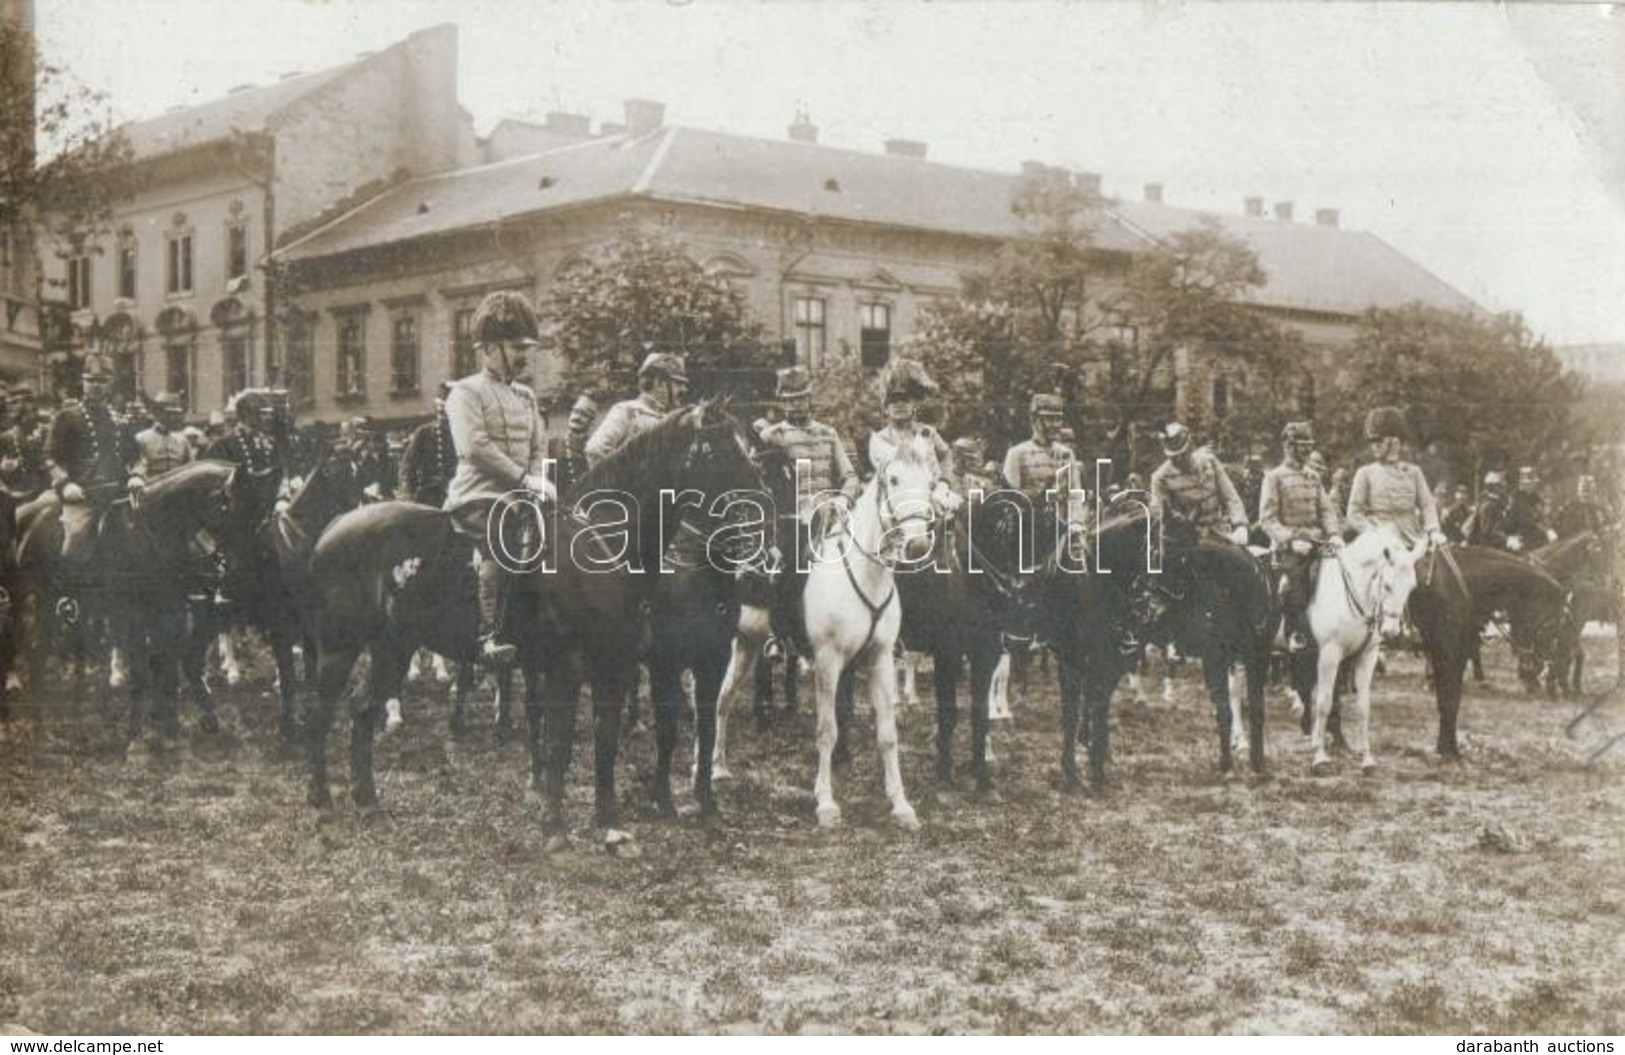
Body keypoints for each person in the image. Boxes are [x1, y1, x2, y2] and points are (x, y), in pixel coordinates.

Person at [444, 290, 554, 665]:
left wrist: (538, 481)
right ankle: (488, 634)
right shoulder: (464, 392)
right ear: (488, 348)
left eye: (527, 346)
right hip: (478, 497)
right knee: (499, 540)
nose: (524, 354)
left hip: (523, 495)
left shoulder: (527, 396)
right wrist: (524, 480)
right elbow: (474, 446)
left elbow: (539, 444)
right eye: (514, 346)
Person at [1260, 422, 1341, 652]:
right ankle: (1294, 633)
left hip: (1317, 542)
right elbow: (1267, 519)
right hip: (1288, 548)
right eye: (1302, 446)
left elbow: (1326, 510)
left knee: (1341, 566)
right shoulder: (1274, 477)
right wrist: (1291, 540)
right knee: (1294, 581)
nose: (1307, 451)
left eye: (1309, 446)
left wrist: (1334, 535)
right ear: (1288, 446)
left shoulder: (1313, 477)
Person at [760, 365, 859, 532]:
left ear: (809, 399)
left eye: (801, 398)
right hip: (791, 522)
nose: (796, 404)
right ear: (782, 402)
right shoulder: (773, 435)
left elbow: (850, 476)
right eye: (790, 400)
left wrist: (842, 500)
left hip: (827, 518)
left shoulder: (828, 433)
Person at [1345, 406, 1444, 547]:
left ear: (1395, 441)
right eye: (1372, 442)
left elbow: (1427, 504)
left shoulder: (1414, 472)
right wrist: (1373, 532)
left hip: (1413, 539)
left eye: (1379, 441)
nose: (1374, 447)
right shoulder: (1365, 473)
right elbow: (1354, 513)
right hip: (1380, 544)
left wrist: (1433, 530)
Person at [1149, 421, 1249, 546]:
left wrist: (1240, 525)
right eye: (1173, 457)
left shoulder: (1209, 461)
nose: (1178, 460)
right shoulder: (1160, 478)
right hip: (1188, 541)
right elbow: (1159, 516)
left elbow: (1230, 497)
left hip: (1221, 534)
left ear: (1190, 447)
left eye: (1182, 454)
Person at [585, 352, 689, 466]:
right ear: (659, 382)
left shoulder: (672, 419)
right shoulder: (627, 411)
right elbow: (595, 451)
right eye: (678, 383)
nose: (684, 390)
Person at [868, 359, 953, 479]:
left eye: (905, 399)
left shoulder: (927, 432)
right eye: (893, 400)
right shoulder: (881, 439)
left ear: (914, 405)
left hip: (932, 491)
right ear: (885, 408)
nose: (899, 404)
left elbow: (945, 455)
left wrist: (944, 482)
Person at [398, 381, 460, 508]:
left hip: (459, 494)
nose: (444, 415)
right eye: (441, 410)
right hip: (429, 496)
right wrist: (408, 494)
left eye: (448, 411)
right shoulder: (424, 433)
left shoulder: (464, 433)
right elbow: (408, 467)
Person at [130, 392, 193, 491]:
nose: (174, 418)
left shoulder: (182, 440)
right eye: (170, 414)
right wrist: (137, 477)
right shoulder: (142, 438)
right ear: (158, 414)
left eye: (176, 414)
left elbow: (191, 467)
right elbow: (138, 465)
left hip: (179, 491)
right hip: (152, 490)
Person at [1502, 465, 1553, 552]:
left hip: (1538, 539)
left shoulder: (1536, 498)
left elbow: (1541, 518)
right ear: (1523, 484)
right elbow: (1513, 524)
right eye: (1530, 482)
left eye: (1534, 482)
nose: (1535, 485)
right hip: (1521, 540)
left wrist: (1548, 529)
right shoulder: (1516, 500)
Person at [1555, 474, 1614, 539]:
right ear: (1578, 490)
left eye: (1588, 489)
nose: (1585, 493)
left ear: (1594, 490)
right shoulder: (1569, 508)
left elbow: (1609, 525)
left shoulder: (1600, 509)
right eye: (1583, 489)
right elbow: (1556, 526)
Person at [1467, 471, 1511, 550]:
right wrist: (1507, 539)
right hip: (1484, 550)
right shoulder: (1488, 506)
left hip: (1496, 547)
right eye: (1501, 486)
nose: (1505, 488)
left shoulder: (1497, 504)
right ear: (1493, 487)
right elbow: (1485, 533)